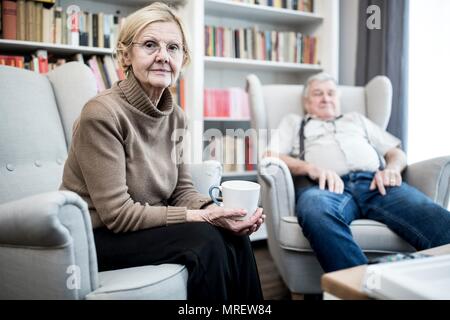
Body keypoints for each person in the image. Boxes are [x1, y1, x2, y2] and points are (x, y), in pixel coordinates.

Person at [60, 2, 264, 301]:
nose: (162, 57)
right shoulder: (101, 114)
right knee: (205, 238)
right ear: (126, 55)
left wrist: (216, 212)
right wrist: (200, 219)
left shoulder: (176, 116)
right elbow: (117, 215)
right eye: (150, 45)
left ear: (183, 58)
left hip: (147, 229)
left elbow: (182, 190)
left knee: (234, 235)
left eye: (173, 48)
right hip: (97, 238)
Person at [265, 72, 450, 273]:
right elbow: (270, 155)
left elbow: (395, 152)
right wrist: (310, 168)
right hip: (325, 188)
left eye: (331, 93)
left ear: (338, 98)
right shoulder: (294, 122)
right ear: (306, 102)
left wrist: (391, 168)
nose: (326, 98)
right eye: (318, 93)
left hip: (376, 184)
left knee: (431, 214)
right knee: (315, 210)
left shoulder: (356, 119)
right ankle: (360, 285)